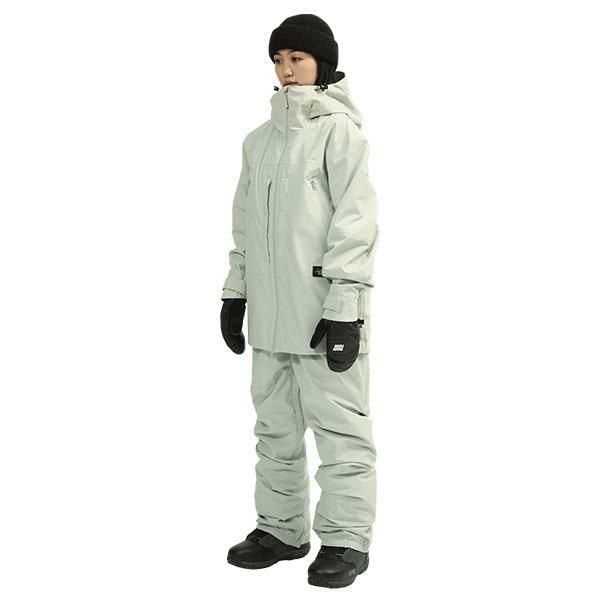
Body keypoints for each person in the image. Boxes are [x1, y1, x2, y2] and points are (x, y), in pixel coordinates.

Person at [220, 14, 379, 588]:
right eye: (279, 59)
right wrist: (236, 293)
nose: (286, 70)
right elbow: (244, 226)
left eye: (298, 59)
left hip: (321, 316)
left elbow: (355, 225)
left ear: (323, 64)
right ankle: (282, 529)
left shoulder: (340, 135)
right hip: (270, 317)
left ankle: (346, 539)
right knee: (275, 431)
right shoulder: (257, 141)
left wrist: (345, 308)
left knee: (341, 432)